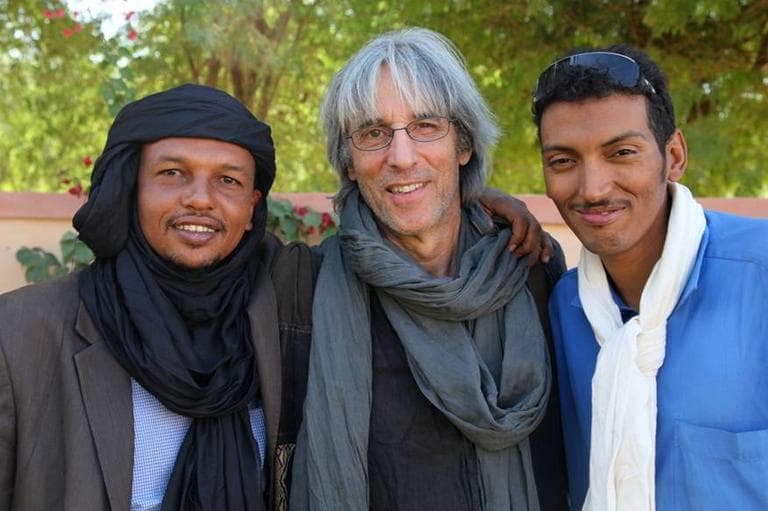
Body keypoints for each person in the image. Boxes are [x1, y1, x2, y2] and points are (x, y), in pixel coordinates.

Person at [0, 84, 317, 510]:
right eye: (172, 173)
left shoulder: (285, 323)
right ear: (131, 189)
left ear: (251, 209)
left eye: (228, 180)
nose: (201, 199)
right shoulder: (20, 334)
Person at [291, 28, 568, 511]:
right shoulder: (304, 289)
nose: (401, 157)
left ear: (463, 145)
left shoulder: (533, 271)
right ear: (350, 162)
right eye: (374, 133)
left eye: (426, 127)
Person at [533, 45, 768, 510]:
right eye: (563, 161)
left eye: (621, 152)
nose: (593, 188)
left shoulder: (759, 276)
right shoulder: (564, 308)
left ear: (674, 154)